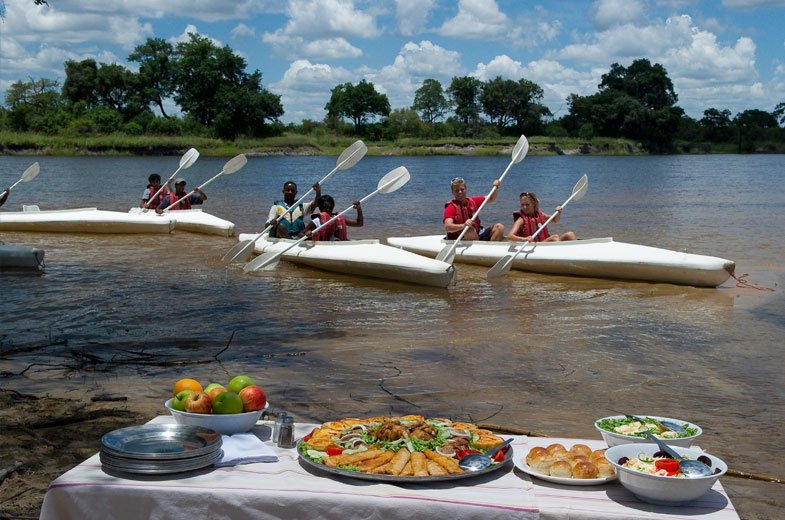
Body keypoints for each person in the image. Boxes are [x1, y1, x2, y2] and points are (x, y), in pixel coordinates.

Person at [443, 177, 505, 241]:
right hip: (461, 238)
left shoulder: (473, 201)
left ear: (466, 189)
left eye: (462, 189)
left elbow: (491, 198)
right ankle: (478, 248)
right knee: (469, 229)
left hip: (478, 233)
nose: (460, 192)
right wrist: (463, 225)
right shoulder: (450, 207)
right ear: (453, 192)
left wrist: (495, 187)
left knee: (499, 227)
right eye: (457, 190)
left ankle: (491, 248)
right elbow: (448, 227)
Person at [508, 191, 577, 242]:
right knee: (554, 237)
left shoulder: (540, 214)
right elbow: (510, 236)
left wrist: (558, 212)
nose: (525, 207)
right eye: (522, 204)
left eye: (527, 204)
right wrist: (525, 239)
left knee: (570, 234)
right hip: (535, 246)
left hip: (544, 243)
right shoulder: (521, 220)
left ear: (534, 204)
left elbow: (555, 220)